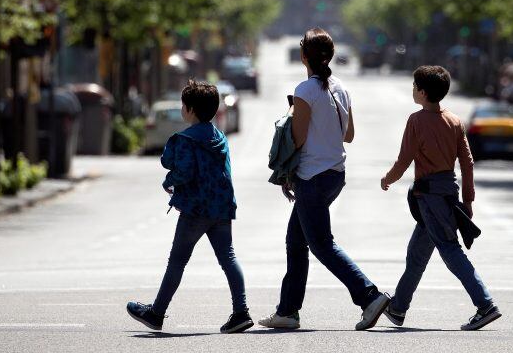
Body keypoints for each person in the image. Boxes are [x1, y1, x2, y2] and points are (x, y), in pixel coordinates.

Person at [259, 28, 390, 331]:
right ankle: (287, 311)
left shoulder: (306, 90)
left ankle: (368, 296)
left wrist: (291, 117)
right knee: (296, 240)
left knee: (321, 244)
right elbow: (350, 134)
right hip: (334, 174)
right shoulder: (341, 88)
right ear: (329, 56)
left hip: (312, 177)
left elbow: (298, 138)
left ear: (304, 55)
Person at [380, 65, 501, 331]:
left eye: (414, 86)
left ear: (422, 92)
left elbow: (404, 160)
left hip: (429, 195)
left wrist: (387, 179)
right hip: (447, 192)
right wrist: (467, 201)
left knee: (449, 250)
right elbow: (467, 163)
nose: (412, 90)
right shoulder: (455, 122)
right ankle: (398, 308)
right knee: (417, 254)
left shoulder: (416, 121)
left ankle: (485, 305)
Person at [126, 80, 253, 334]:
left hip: (196, 209)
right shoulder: (219, 136)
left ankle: (156, 313)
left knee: (177, 261)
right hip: (221, 207)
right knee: (228, 258)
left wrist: (169, 181)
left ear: (190, 109)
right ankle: (241, 312)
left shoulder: (184, 139)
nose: (182, 109)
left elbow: (179, 168)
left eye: (183, 105)